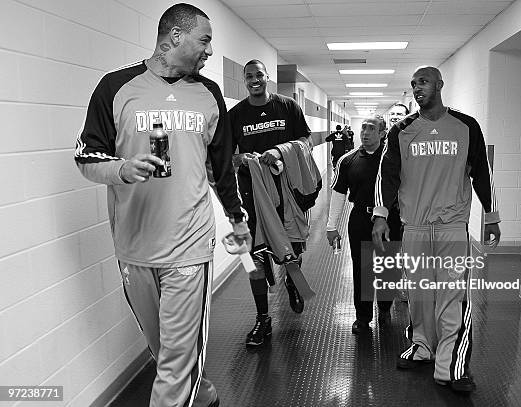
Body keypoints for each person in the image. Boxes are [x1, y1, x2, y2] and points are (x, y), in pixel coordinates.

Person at [74, 4, 250, 406]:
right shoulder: (115, 87)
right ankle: (202, 393)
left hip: (189, 243)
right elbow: (87, 158)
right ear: (175, 36)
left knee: (173, 365)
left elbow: (221, 168)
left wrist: (237, 218)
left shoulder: (208, 93)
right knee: (164, 350)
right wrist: (122, 168)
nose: (209, 52)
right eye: (204, 40)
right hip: (134, 246)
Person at [372, 66, 501, 393]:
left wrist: (492, 215)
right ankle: (422, 347)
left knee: (452, 294)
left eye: (424, 82)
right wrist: (381, 214)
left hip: (452, 227)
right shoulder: (401, 130)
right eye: (414, 84)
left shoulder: (466, 126)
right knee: (419, 293)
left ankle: (454, 365)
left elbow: (482, 174)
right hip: (414, 226)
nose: (418, 88)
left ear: (440, 85)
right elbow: (386, 176)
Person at [229, 59, 314, 347]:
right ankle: (263, 319)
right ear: (245, 80)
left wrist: (280, 151)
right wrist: (239, 159)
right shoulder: (236, 115)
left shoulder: (287, 106)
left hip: (288, 193)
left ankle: (293, 281)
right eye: (249, 76)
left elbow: (306, 140)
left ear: (267, 78)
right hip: (252, 197)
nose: (255, 80)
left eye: (259, 75)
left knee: (291, 248)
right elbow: (224, 157)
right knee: (253, 258)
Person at [326, 115, 402, 335]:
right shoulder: (347, 160)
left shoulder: (393, 159)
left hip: (390, 219)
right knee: (363, 269)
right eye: (363, 128)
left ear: (382, 133)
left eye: (371, 129)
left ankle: (385, 309)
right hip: (360, 218)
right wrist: (331, 226)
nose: (366, 133)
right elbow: (339, 194)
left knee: (388, 268)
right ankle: (363, 317)